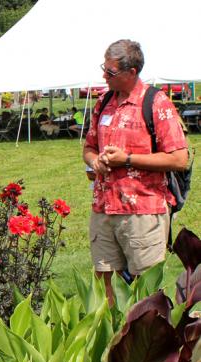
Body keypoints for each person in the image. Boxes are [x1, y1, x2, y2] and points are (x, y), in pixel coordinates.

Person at [83, 39, 188, 305]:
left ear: (132, 72)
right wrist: (95, 161)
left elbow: (179, 159)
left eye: (111, 72)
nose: (104, 76)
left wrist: (127, 159)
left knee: (146, 290)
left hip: (142, 210)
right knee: (105, 282)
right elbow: (89, 147)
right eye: (104, 69)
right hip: (104, 209)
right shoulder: (104, 102)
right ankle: (112, 337)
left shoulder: (156, 103)